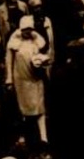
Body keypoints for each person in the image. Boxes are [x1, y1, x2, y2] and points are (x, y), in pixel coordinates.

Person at [6, 16, 52, 146]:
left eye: (30, 29)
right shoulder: (14, 42)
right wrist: (9, 79)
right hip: (21, 79)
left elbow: (44, 52)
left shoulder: (36, 39)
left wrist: (42, 61)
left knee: (40, 106)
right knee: (23, 109)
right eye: (25, 30)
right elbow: (9, 61)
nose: (28, 32)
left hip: (35, 78)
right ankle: (25, 136)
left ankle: (44, 137)